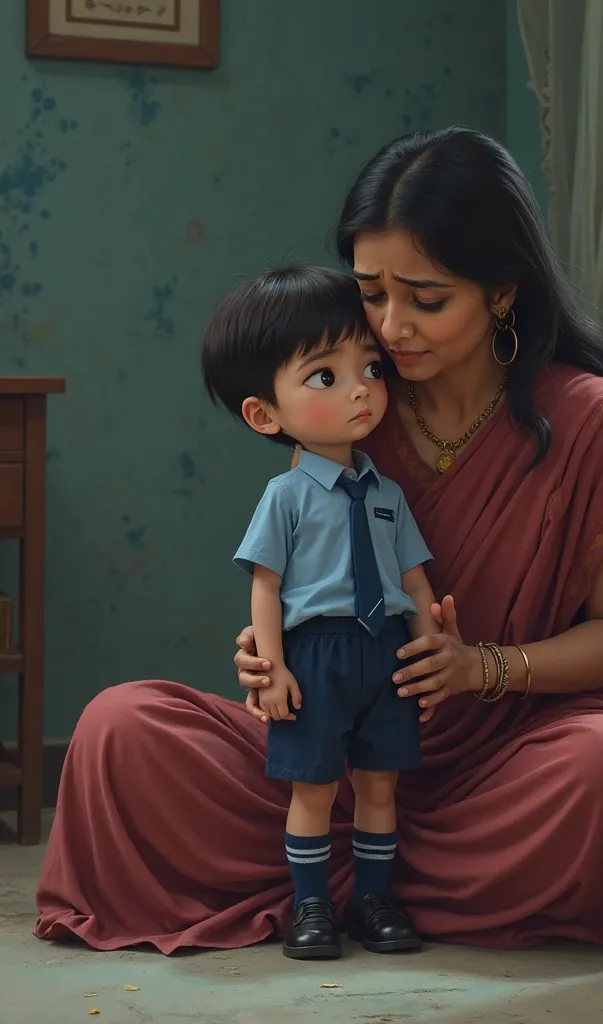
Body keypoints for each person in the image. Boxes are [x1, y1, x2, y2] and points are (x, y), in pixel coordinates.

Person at [35, 127, 603, 955]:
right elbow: (297, 579)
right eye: (371, 292)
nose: (390, 326)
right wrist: (270, 653)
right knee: (119, 729)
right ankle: (384, 888)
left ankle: (341, 884)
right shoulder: (352, 407)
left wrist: (477, 667)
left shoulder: (592, 421)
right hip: (337, 766)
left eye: (424, 298)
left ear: (500, 291)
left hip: (514, 765)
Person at [201, 264, 440, 959]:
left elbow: (417, 585)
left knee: (379, 784)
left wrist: (429, 655)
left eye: (370, 366)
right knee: (312, 788)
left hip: (387, 654)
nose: (362, 387)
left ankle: (372, 898)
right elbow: (266, 589)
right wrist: (271, 670)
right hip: (319, 656)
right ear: (264, 414)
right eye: (325, 376)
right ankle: (311, 907)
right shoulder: (286, 497)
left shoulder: (388, 493)